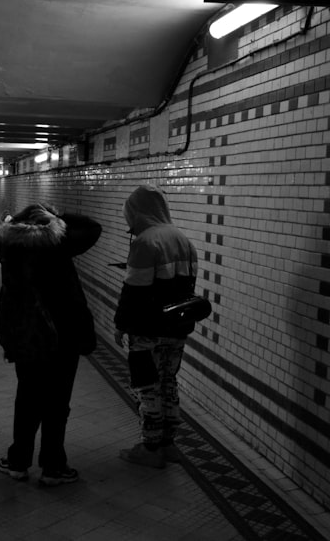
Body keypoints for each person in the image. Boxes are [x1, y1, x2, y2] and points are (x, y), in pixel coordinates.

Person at [0, 202, 102, 486]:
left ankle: (18, 462)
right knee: (57, 401)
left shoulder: (7, 246)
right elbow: (93, 228)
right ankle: (53, 466)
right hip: (64, 335)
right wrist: (59, 218)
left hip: (27, 333)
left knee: (27, 397)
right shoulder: (57, 243)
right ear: (48, 222)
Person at [113, 184, 199, 469]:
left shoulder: (146, 242)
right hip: (177, 328)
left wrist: (121, 324)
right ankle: (168, 444)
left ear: (138, 212)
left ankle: (149, 448)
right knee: (168, 382)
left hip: (147, 330)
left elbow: (134, 292)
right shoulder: (183, 239)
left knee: (147, 386)